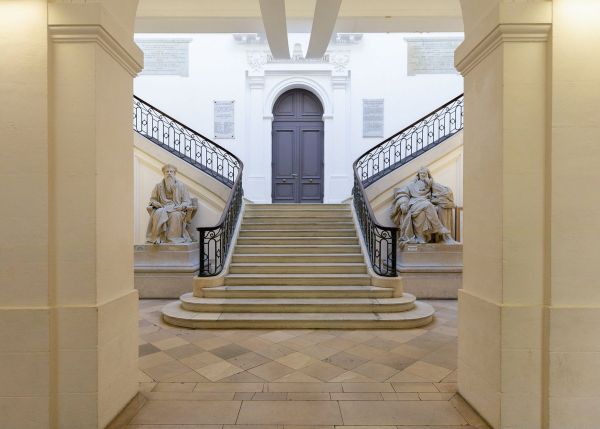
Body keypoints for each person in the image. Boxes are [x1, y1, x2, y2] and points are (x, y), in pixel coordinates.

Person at [391, 167, 456, 245]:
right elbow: (403, 194)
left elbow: (445, 192)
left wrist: (431, 183)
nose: (423, 175)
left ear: (428, 175)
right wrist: (403, 203)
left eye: (425, 173)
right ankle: (439, 228)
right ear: (418, 175)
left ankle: (421, 237)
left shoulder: (430, 185)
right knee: (428, 205)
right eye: (421, 173)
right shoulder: (411, 184)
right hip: (414, 204)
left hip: (424, 204)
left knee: (423, 211)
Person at [146, 164, 197, 244]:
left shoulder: (181, 186)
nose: (169, 173)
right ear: (164, 173)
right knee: (158, 212)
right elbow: (153, 199)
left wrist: (181, 206)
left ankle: (173, 239)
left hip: (177, 209)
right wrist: (156, 203)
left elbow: (187, 201)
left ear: (174, 173)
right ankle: (158, 238)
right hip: (162, 208)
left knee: (175, 215)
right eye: (167, 172)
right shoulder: (158, 186)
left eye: (171, 172)